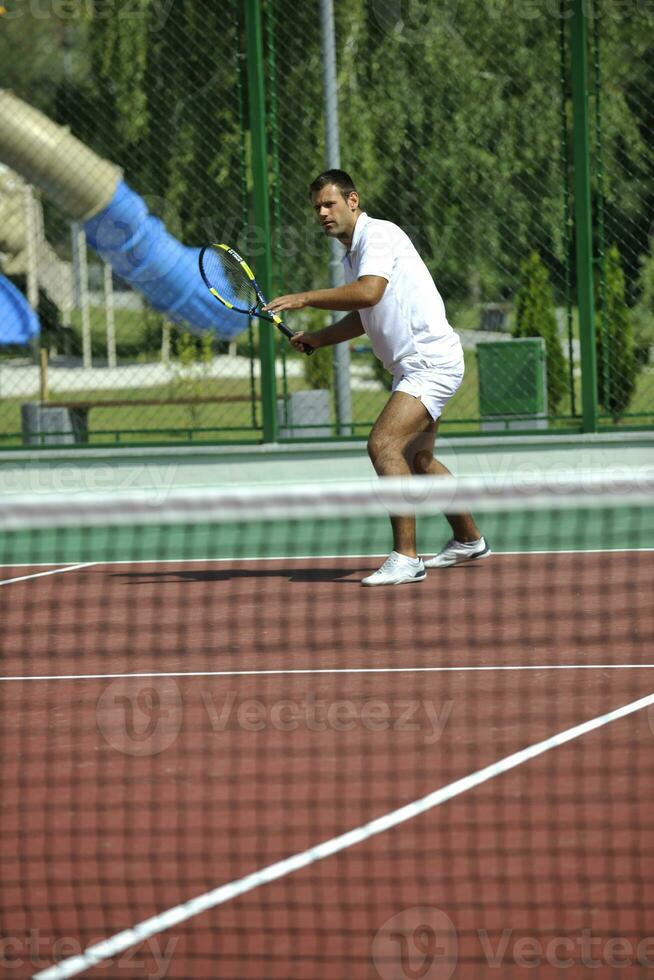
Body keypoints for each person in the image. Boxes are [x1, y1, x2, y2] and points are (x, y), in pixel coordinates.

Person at [264, 169, 489, 586]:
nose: (322, 213)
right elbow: (367, 315)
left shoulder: (378, 236)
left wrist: (304, 297)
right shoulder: (355, 252)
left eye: (330, 204)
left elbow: (369, 292)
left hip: (429, 362)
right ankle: (468, 538)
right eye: (317, 207)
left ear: (353, 201)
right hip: (414, 364)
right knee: (417, 460)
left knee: (383, 444)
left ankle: (406, 557)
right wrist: (320, 338)